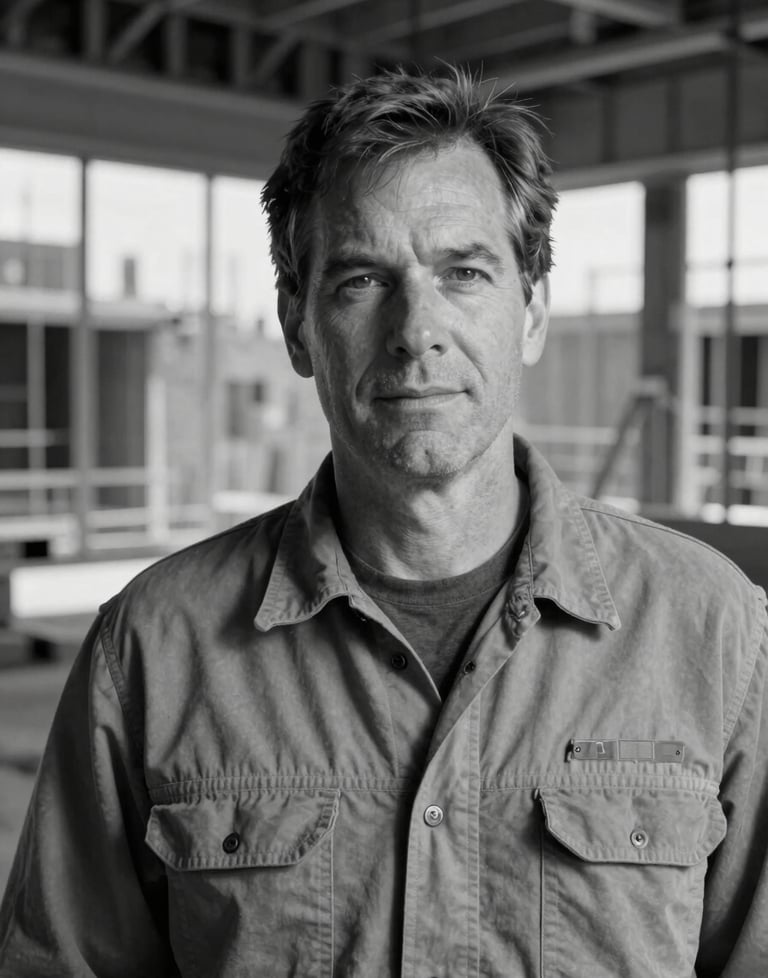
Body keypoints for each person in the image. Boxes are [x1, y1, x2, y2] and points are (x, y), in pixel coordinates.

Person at [1, 67, 766, 978]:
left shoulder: (716, 634)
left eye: (465, 273)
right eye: (363, 279)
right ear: (297, 325)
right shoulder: (155, 650)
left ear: (532, 311)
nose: (417, 331)